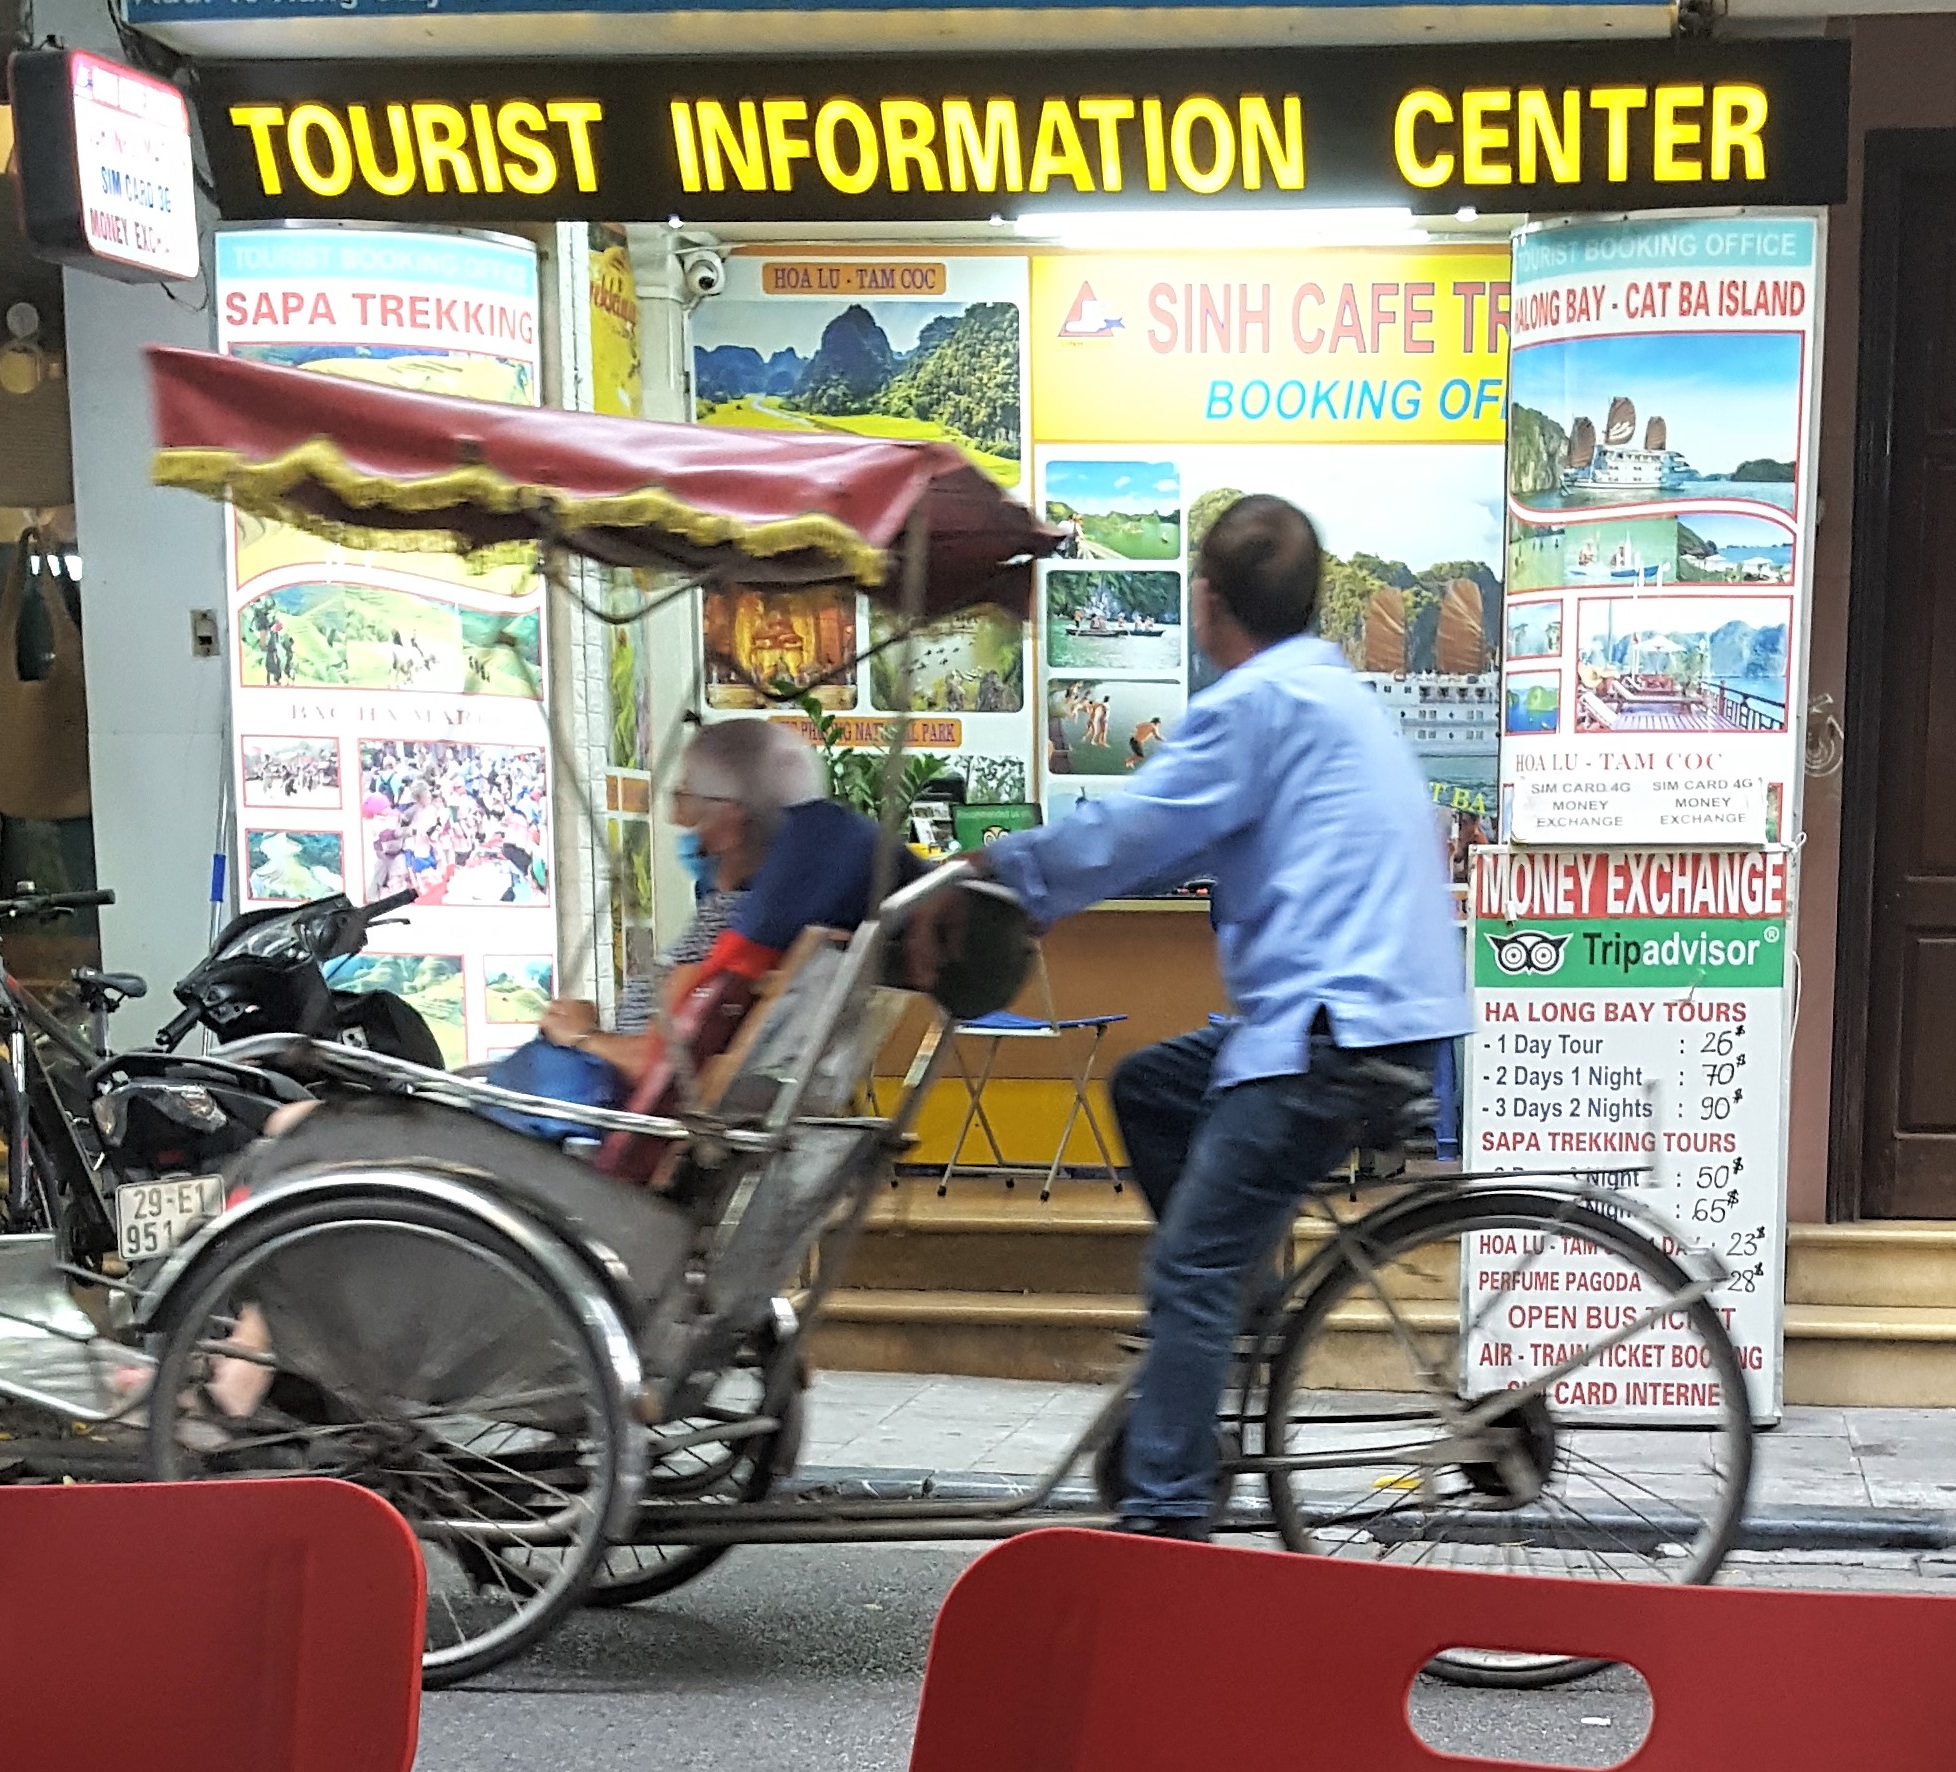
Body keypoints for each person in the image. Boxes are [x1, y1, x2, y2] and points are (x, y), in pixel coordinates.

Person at [989, 492, 1465, 1537]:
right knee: (1151, 1087)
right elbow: (1178, 835)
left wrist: (1002, 875)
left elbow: (1136, 828)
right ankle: (1239, 1295)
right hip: (1368, 1016)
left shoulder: (1259, 705)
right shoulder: (1326, 693)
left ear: (1205, 601)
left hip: (1328, 1029)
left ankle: (1166, 1524)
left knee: (1187, 1269)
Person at [506, 713, 882, 1131]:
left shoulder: (735, 930)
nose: (675, 818)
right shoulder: (777, 922)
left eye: (683, 798)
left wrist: (582, 1035)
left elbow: (661, 1066)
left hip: (619, 1123)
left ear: (729, 821)